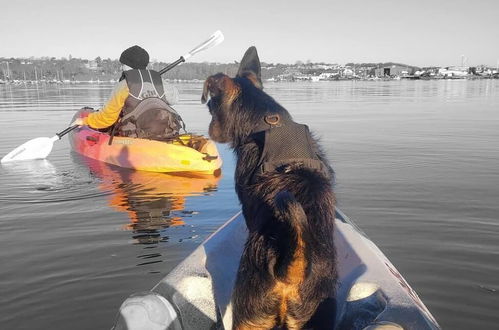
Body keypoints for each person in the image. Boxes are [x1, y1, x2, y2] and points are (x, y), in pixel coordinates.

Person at [72, 45, 184, 141]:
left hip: (135, 137)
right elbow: (175, 99)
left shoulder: (123, 85)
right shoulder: (161, 82)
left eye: (123, 64)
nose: (121, 67)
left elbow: (106, 119)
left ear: (129, 65)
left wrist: (84, 121)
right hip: (165, 132)